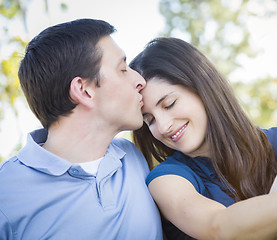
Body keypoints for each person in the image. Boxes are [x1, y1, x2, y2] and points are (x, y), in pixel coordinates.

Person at [129, 37, 277, 240]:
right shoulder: (167, 179)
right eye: (149, 120)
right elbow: (217, 227)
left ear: (202, 88)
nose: (163, 125)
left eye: (169, 104)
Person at [0, 19, 163, 239]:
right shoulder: (6, 192)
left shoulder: (133, 157)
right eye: (123, 69)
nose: (140, 80)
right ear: (84, 90)